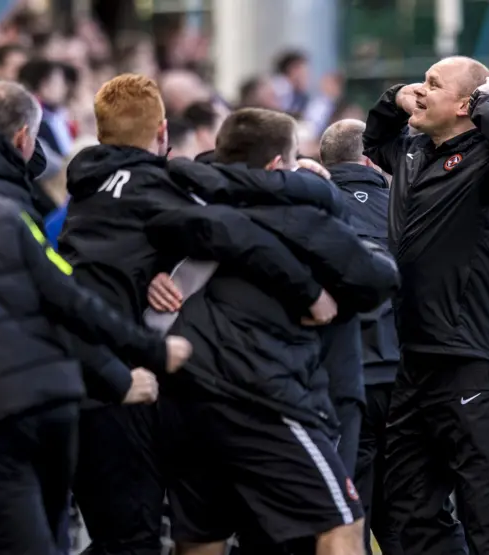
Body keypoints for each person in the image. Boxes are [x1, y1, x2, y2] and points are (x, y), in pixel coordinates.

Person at [57, 76, 344, 555]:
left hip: (75, 381)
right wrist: (310, 290)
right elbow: (235, 231)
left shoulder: (86, 194)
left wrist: (152, 270)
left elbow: (108, 260)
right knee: (134, 542)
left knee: (117, 536)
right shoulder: (154, 187)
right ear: (164, 132)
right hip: (123, 386)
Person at [145, 107, 399, 555]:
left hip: (182, 392)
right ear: (279, 167)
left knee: (200, 537)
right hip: (266, 395)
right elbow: (378, 278)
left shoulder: (176, 199)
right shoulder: (300, 213)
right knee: (342, 524)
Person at [0, 79, 192, 555]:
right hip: (55, 399)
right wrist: (127, 371)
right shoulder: (9, 215)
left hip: (50, 395)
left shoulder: (77, 200)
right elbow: (66, 299)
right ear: (162, 132)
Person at [363, 56, 489, 555]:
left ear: (467, 104)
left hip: (478, 359)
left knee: (485, 513)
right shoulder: (414, 151)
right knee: (406, 506)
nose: (420, 90)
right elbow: (374, 140)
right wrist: (395, 95)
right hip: (417, 358)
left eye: (432, 84)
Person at [320, 119, 400, 555]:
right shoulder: (408, 206)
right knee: (411, 509)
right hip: (407, 377)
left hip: (344, 379)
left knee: (347, 507)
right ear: (370, 159)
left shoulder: (313, 207)